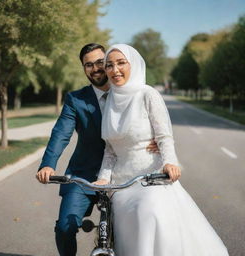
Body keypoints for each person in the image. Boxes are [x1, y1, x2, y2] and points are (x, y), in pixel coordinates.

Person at [95, 44, 229, 256]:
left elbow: (164, 136)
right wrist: (103, 179)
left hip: (152, 178)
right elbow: (110, 150)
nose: (115, 70)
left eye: (121, 63)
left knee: (149, 209)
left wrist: (170, 162)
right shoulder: (108, 101)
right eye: (109, 65)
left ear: (134, 65)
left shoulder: (148, 94)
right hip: (121, 184)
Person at [36, 43, 159, 256]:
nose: (95, 69)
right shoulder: (76, 99)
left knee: (134, 230)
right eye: (88, 65)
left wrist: (154, 138)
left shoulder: (130, 92)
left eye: (100, 62)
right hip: (84, 175)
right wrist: (48, 164)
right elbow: (61, 134)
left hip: (124, 174)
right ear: (84, 69)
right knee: (65, 227)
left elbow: (154, 120)